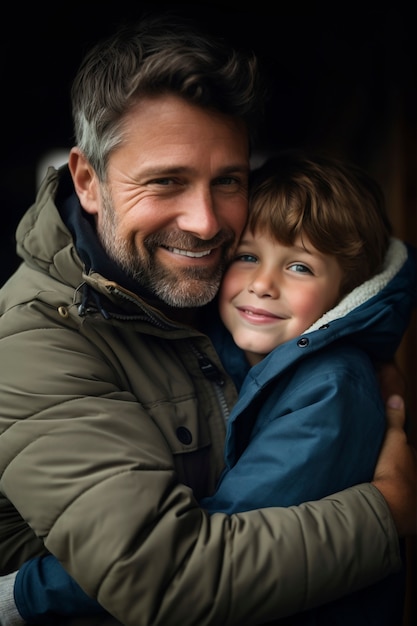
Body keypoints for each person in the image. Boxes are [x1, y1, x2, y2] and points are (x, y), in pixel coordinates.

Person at [0, 14, 415, 626]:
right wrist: (387, 509)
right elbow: (164, 580)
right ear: (88, 180)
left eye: (228, 181)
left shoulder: (230, 302)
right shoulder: (34, 343)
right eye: (166, 181)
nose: (206, 221)